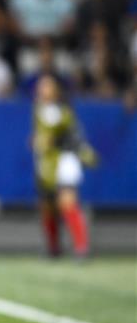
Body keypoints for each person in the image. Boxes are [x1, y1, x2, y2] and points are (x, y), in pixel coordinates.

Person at [31, 74, 97, 258]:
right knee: (47, 207)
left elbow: (67, 135)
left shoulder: (61, 111)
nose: (42, 89)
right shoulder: (38, 110)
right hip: (46, 164)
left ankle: (81, 247)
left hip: (65, 161)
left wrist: (51, 141)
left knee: (67, 203)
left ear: (55, 90)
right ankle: (53, 248)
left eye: (47, 86)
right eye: (40, 86)